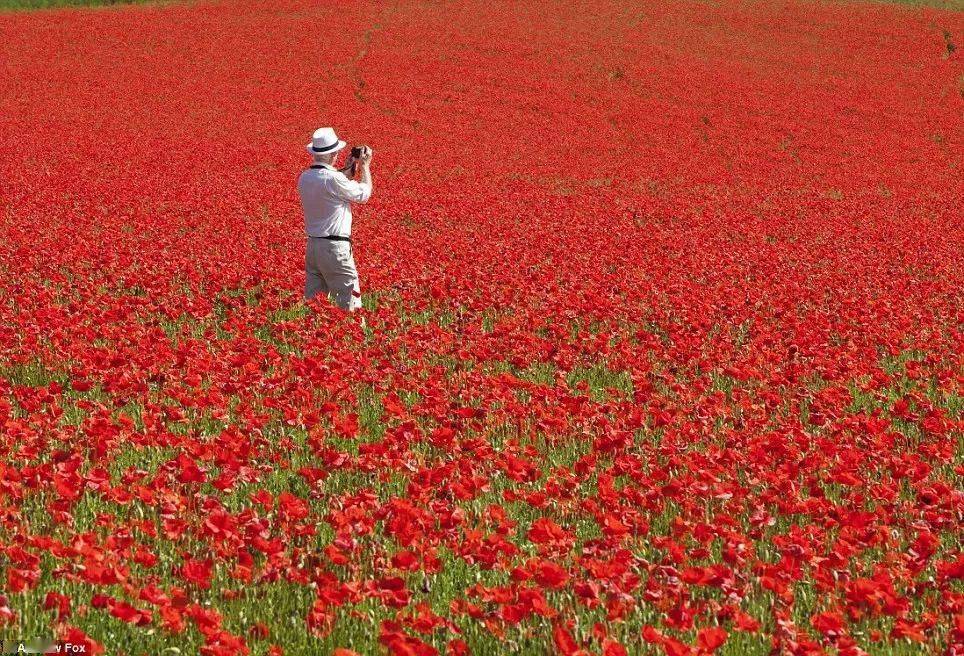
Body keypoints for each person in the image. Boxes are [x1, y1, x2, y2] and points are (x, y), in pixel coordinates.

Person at [297, 127, 373, 311]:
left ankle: (310, 337)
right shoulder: (333, 179)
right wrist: (365, 167)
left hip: (314, 247)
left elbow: (329, 185)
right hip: (335, 249)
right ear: (334, 155)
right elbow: (363, 194)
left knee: (315, 305)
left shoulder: (305, 178)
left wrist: (346, 170)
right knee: (349, 302)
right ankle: (354, 336)